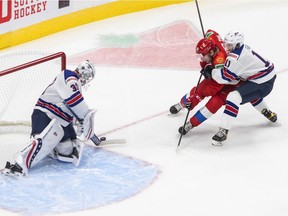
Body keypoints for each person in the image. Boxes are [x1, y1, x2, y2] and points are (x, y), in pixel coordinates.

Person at [2, 60, 97, 177]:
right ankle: (19, 165)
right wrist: (85, 117)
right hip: (45, 114)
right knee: (45, 140)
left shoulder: (76, 85)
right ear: (85, 74)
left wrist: (80, 124)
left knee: (66, 152)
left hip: (59, 121)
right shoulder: (68, 76)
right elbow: (75, 101)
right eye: (88, 76)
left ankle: (50, 148)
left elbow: (71, 109)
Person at [205, 31, 277, 146]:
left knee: (233, 97)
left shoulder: (235, 58)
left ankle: (223, 130)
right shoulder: (242, 49)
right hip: (264, 77)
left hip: (264, 83)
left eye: (229, 45)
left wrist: (211, 72)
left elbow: (225, 78)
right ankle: (267, 112)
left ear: (237, 45)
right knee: (248, 92)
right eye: (226, 44)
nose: (226, 47)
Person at [170, 29, 236, 135]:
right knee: (199, 88)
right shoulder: (211, 41)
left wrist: (197, 97)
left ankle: (191, 124)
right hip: (217, 75)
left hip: (230, 83)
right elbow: (210, 32)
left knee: (214, 102)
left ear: (211, 52)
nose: (201, 59)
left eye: (202, 56)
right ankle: (182, 104)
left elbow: (216, 86)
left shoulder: (220, 62)